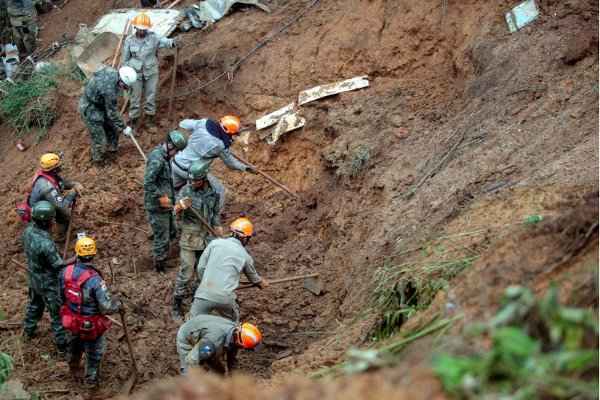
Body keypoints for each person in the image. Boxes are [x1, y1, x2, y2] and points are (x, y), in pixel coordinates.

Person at [59, 236, 121, 387]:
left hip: (72, 320)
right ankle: (91, 380)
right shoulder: (95, 280)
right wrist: (118, 304)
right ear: (93, 254)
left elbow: (61, 296)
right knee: (94, 353)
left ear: (77, 253)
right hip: (90, 325)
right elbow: (106, 307)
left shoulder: (65, 272)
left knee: (75, 344)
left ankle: (73, 367)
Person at [171, 161, 222, 320]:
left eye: (195, 180)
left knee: (203, 273)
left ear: (204, 178)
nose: (192, 183)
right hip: (189, 239)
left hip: (207, 238)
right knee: (186, 272)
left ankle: (196, 300)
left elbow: (214, 214)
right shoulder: (186, 191)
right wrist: (180, 205)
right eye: (191, 180)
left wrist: (218, 228)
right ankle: (177, 304)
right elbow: (174, 212)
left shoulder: (213, 192)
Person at [190, 217, 268, 322]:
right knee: (232, 327)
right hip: (225, 298)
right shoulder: (244, 255)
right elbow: (254, 278)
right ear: (245, 238)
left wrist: (206, 283)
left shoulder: (214, 243)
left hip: (203, 294)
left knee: (191, 325)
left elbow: (201, 268)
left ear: (231, 232)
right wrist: (261, 282)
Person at [171, 115, 256, 207]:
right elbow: (231, 163)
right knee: (219, 191)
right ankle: (213, 216)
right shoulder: (219, 145)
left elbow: (184, 123)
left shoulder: (203, 123)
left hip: (175, 163)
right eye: (233, 134)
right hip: (191, 173)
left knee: (174, 190)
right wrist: (246, 168)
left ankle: (175, 212)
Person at [21, 201, 71, 356]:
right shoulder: (45, 243)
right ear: (46, 221)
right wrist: (76, 259)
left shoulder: (28, 231)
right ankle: (63, 346)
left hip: (34, 276)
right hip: (48, 283)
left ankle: (28, 331)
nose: (53, 222)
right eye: (51, 219)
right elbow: (58, 266)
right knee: (57, 314)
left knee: (34, 304)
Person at [121, 12, 176, 128]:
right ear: (135, 27)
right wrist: (125, 76)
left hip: (151, 72)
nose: (142, 31)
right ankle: (134, 121)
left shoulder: (154, 37)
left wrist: (173, 42)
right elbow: (125, 60)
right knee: (135, 98)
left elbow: (166, 41)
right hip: (134, 74)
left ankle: (149, 120)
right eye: (140, 29)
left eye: (144, 29)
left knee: (151, 96)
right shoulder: (129, 40)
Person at [143, 130, 187, 272]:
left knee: (172, 231)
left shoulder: (164, 157)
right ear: (170, 146)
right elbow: (148, 183)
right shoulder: (157, 160)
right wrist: (161, 196)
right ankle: (159, 266)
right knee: (162, 238)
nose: (176, 154)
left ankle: (162, 248)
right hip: (157, 206)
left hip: (166, 205)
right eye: (176, 151)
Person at [79, 66, 136, 166]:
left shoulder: (114, 73)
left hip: (101, 105)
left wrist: (120, 127)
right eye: (125, 86)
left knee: (113, 131)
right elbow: (112, 113)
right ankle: (98, 161)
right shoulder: (109, 90)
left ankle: (111, 152)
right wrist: (124, 127)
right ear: (121, 81)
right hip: (90, 108)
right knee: (99, 139)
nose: (124, 89)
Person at [176, 314, 261, 375]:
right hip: (187, 336)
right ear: (240, 344)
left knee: (220, 372)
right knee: (190, 372)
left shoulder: (236, 332)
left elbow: (232, 359)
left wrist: (234, 381)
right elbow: (191, 361)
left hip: (205, 329)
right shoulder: (213, 342)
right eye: (246, 348)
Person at [28, 153, 82, 239]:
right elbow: (62, 205)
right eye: (58, 166)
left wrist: (74, 184)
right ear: (53, 169)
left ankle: (64, 227)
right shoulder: (46, 186)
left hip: (45, 202)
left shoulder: (49, 174)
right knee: (62, 213)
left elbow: (61, 183)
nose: (60, 167)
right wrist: (73, 192)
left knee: (62, 212)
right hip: (39, 212)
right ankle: (59, 236)